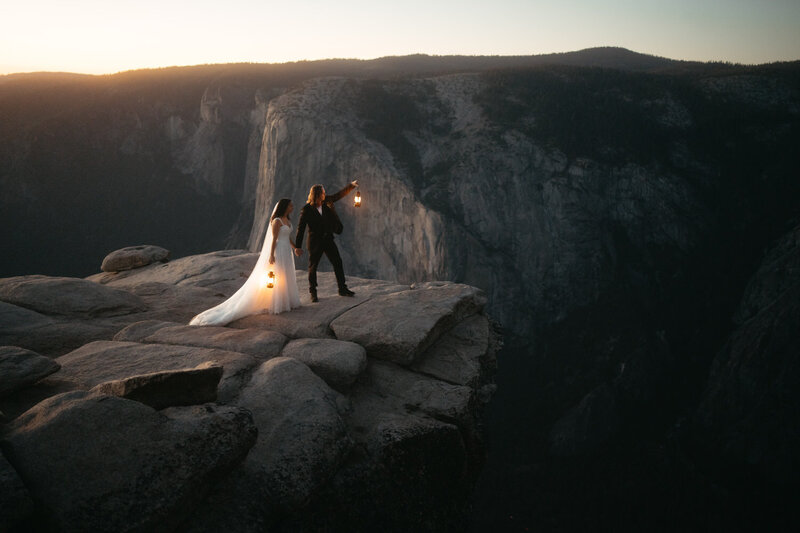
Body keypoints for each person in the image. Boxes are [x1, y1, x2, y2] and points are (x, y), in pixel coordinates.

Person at [189, 199, 302, 326]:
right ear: (284, 207)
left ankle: (285, 300)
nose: (293, 207)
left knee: (286, 275)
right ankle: (277, 303)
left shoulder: (287, 220)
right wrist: (271, 255)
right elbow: (274, 239)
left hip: (287, 251)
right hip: (279, 251)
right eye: (291, 205)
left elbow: (287, 237)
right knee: (279, 275)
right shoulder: (277, 221)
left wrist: (295, 248)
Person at [295, 180, 358, 302]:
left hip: (328, 239)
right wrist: (298, 246)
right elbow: (301, 229)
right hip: (315, 242)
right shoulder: (306, 210)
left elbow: (338, 195)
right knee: (313, 267)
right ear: (317, 194)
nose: (325, 194)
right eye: (323, 193)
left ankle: (342, 288)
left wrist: (351, 186)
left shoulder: (327, 202)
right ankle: (313, 292)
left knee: (337, 262)